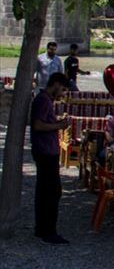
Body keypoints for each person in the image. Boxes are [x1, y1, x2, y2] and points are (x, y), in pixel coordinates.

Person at [29, 72, 70, 243]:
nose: (62, 93)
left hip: (46, 151)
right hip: (45, 152)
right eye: (62, 89)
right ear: (56, 84)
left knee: (47, 191)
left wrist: (56, 122)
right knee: (51, 192)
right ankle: (48, 231)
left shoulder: (45, 100)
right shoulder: (43, 100)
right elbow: (38, 125)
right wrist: (59, 125)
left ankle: (43, 229)